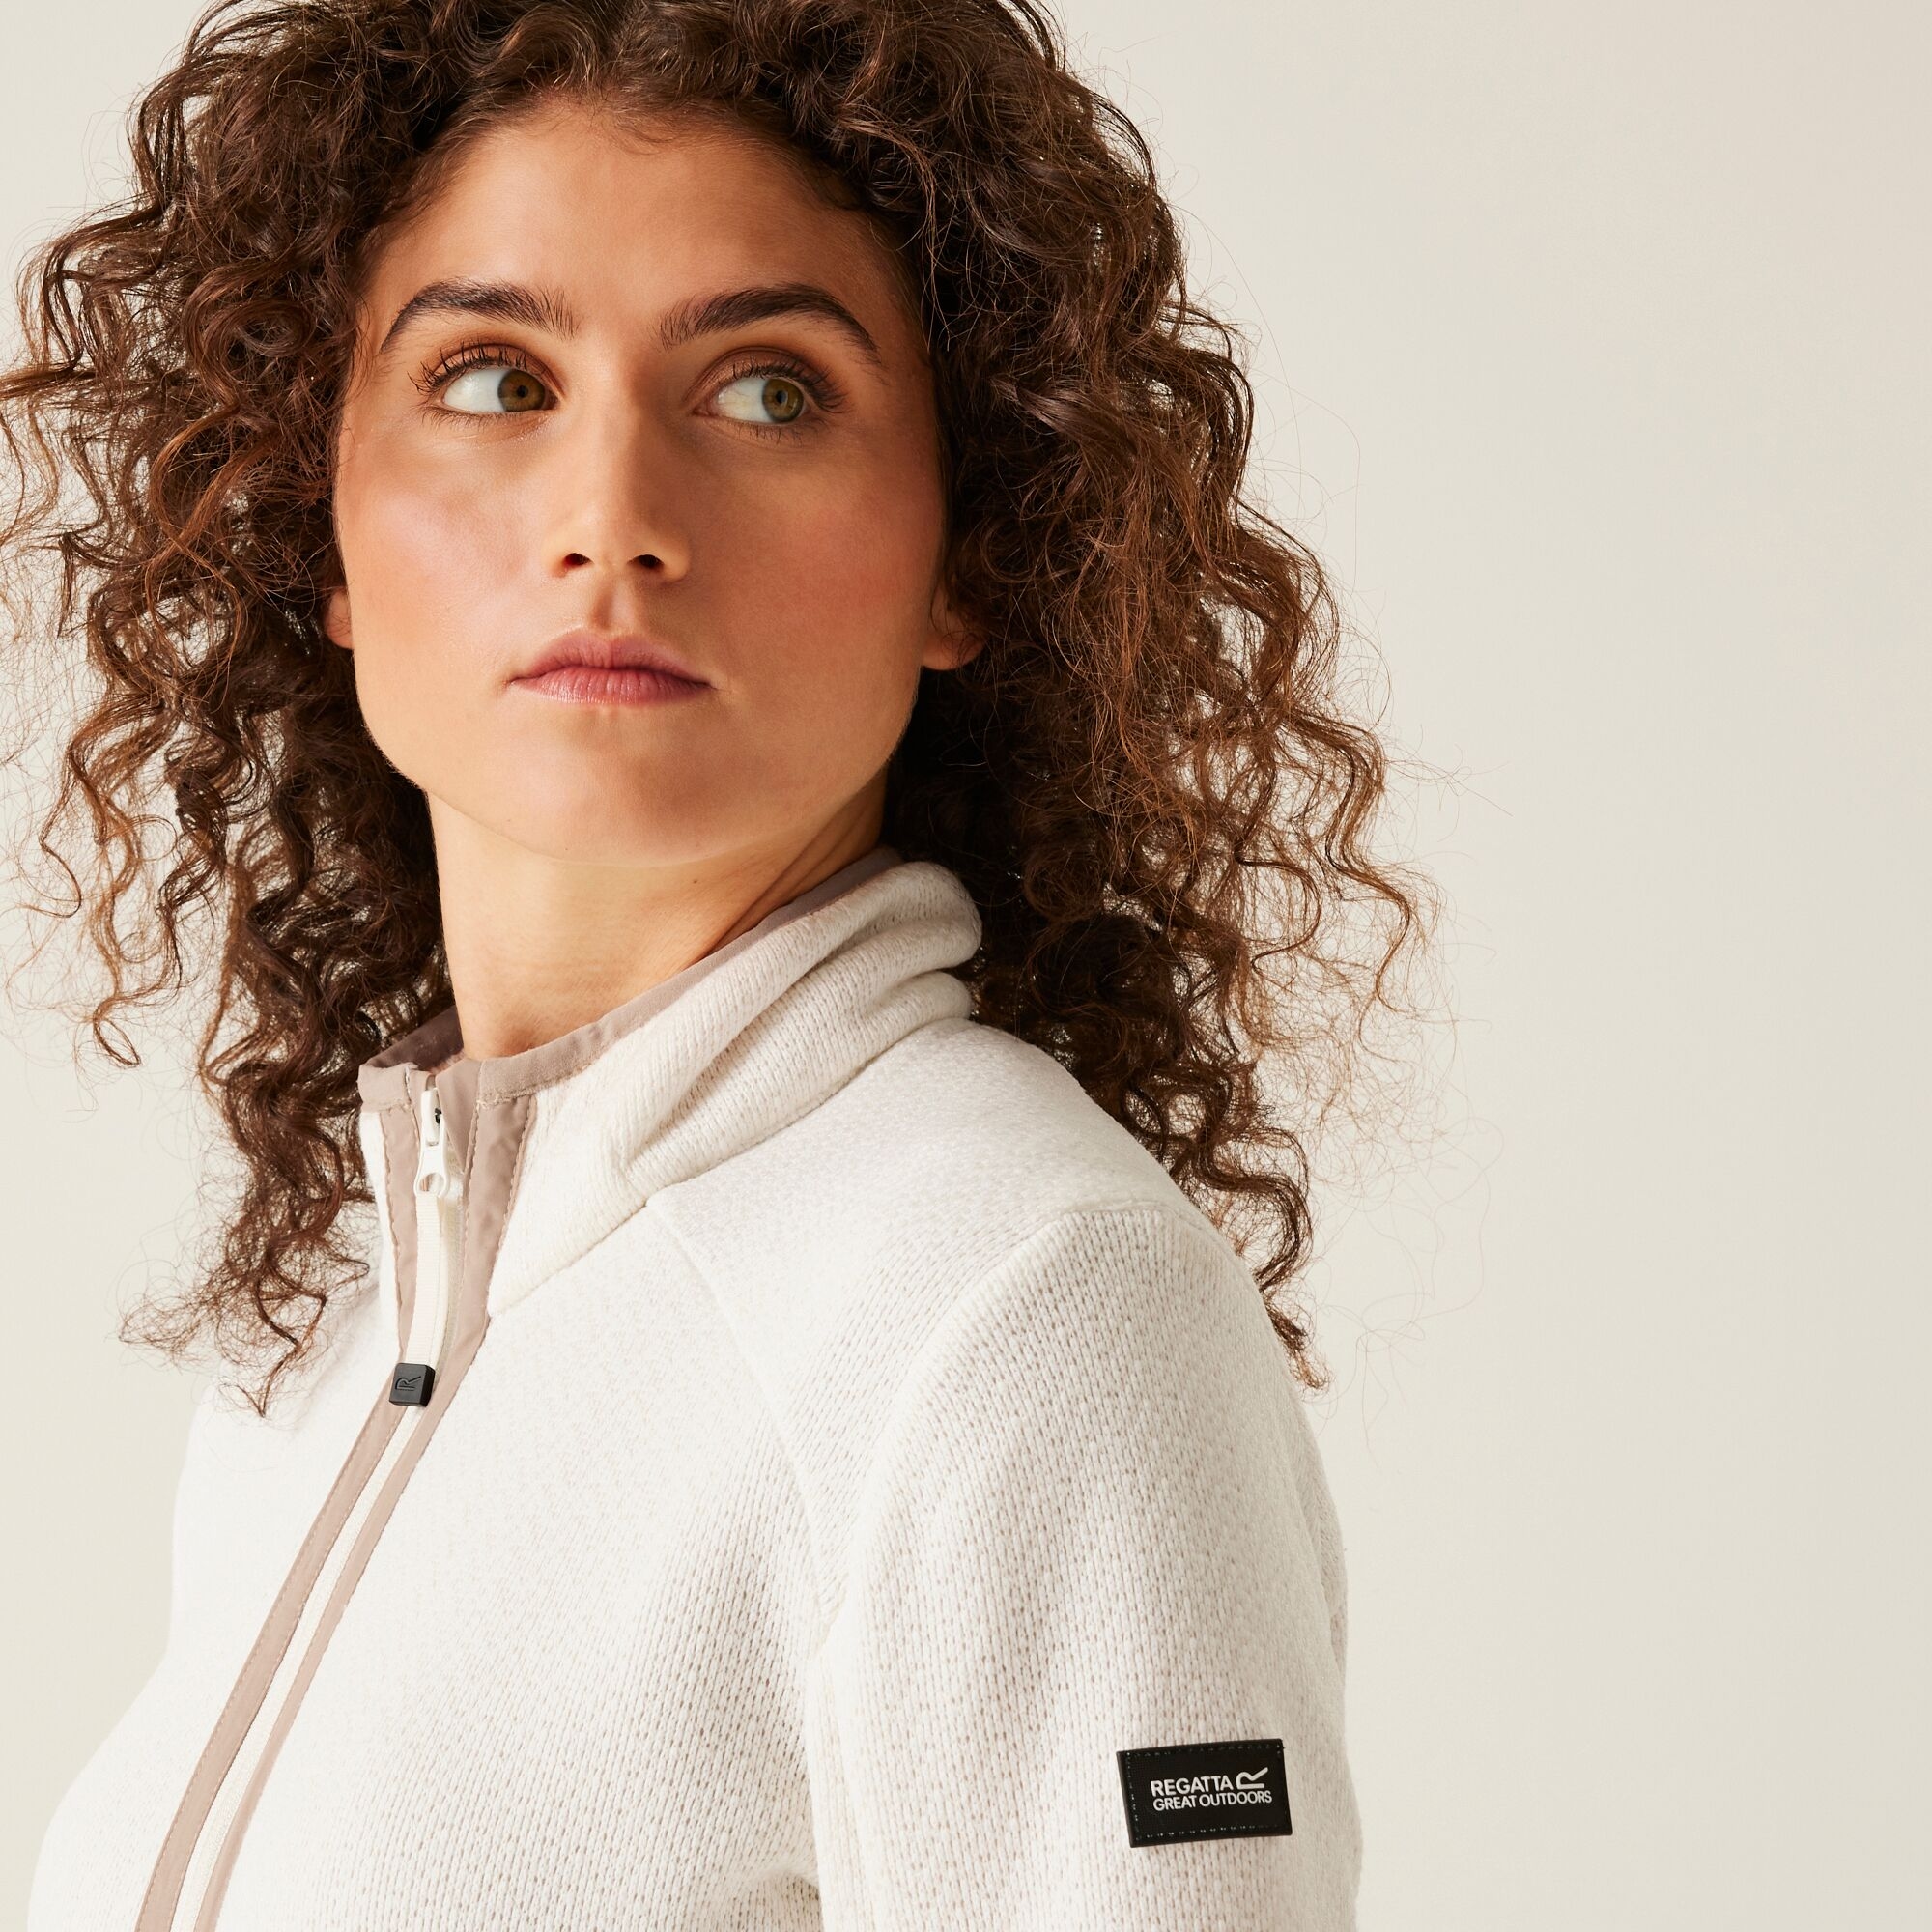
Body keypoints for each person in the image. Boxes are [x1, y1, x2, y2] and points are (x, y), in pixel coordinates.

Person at [6, 1, 1427, 1923]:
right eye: (492, 378)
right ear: (315, 518)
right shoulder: (331, 1352)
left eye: (769, 392)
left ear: (967, 553)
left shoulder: (1022, 1303)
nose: (611, 520)